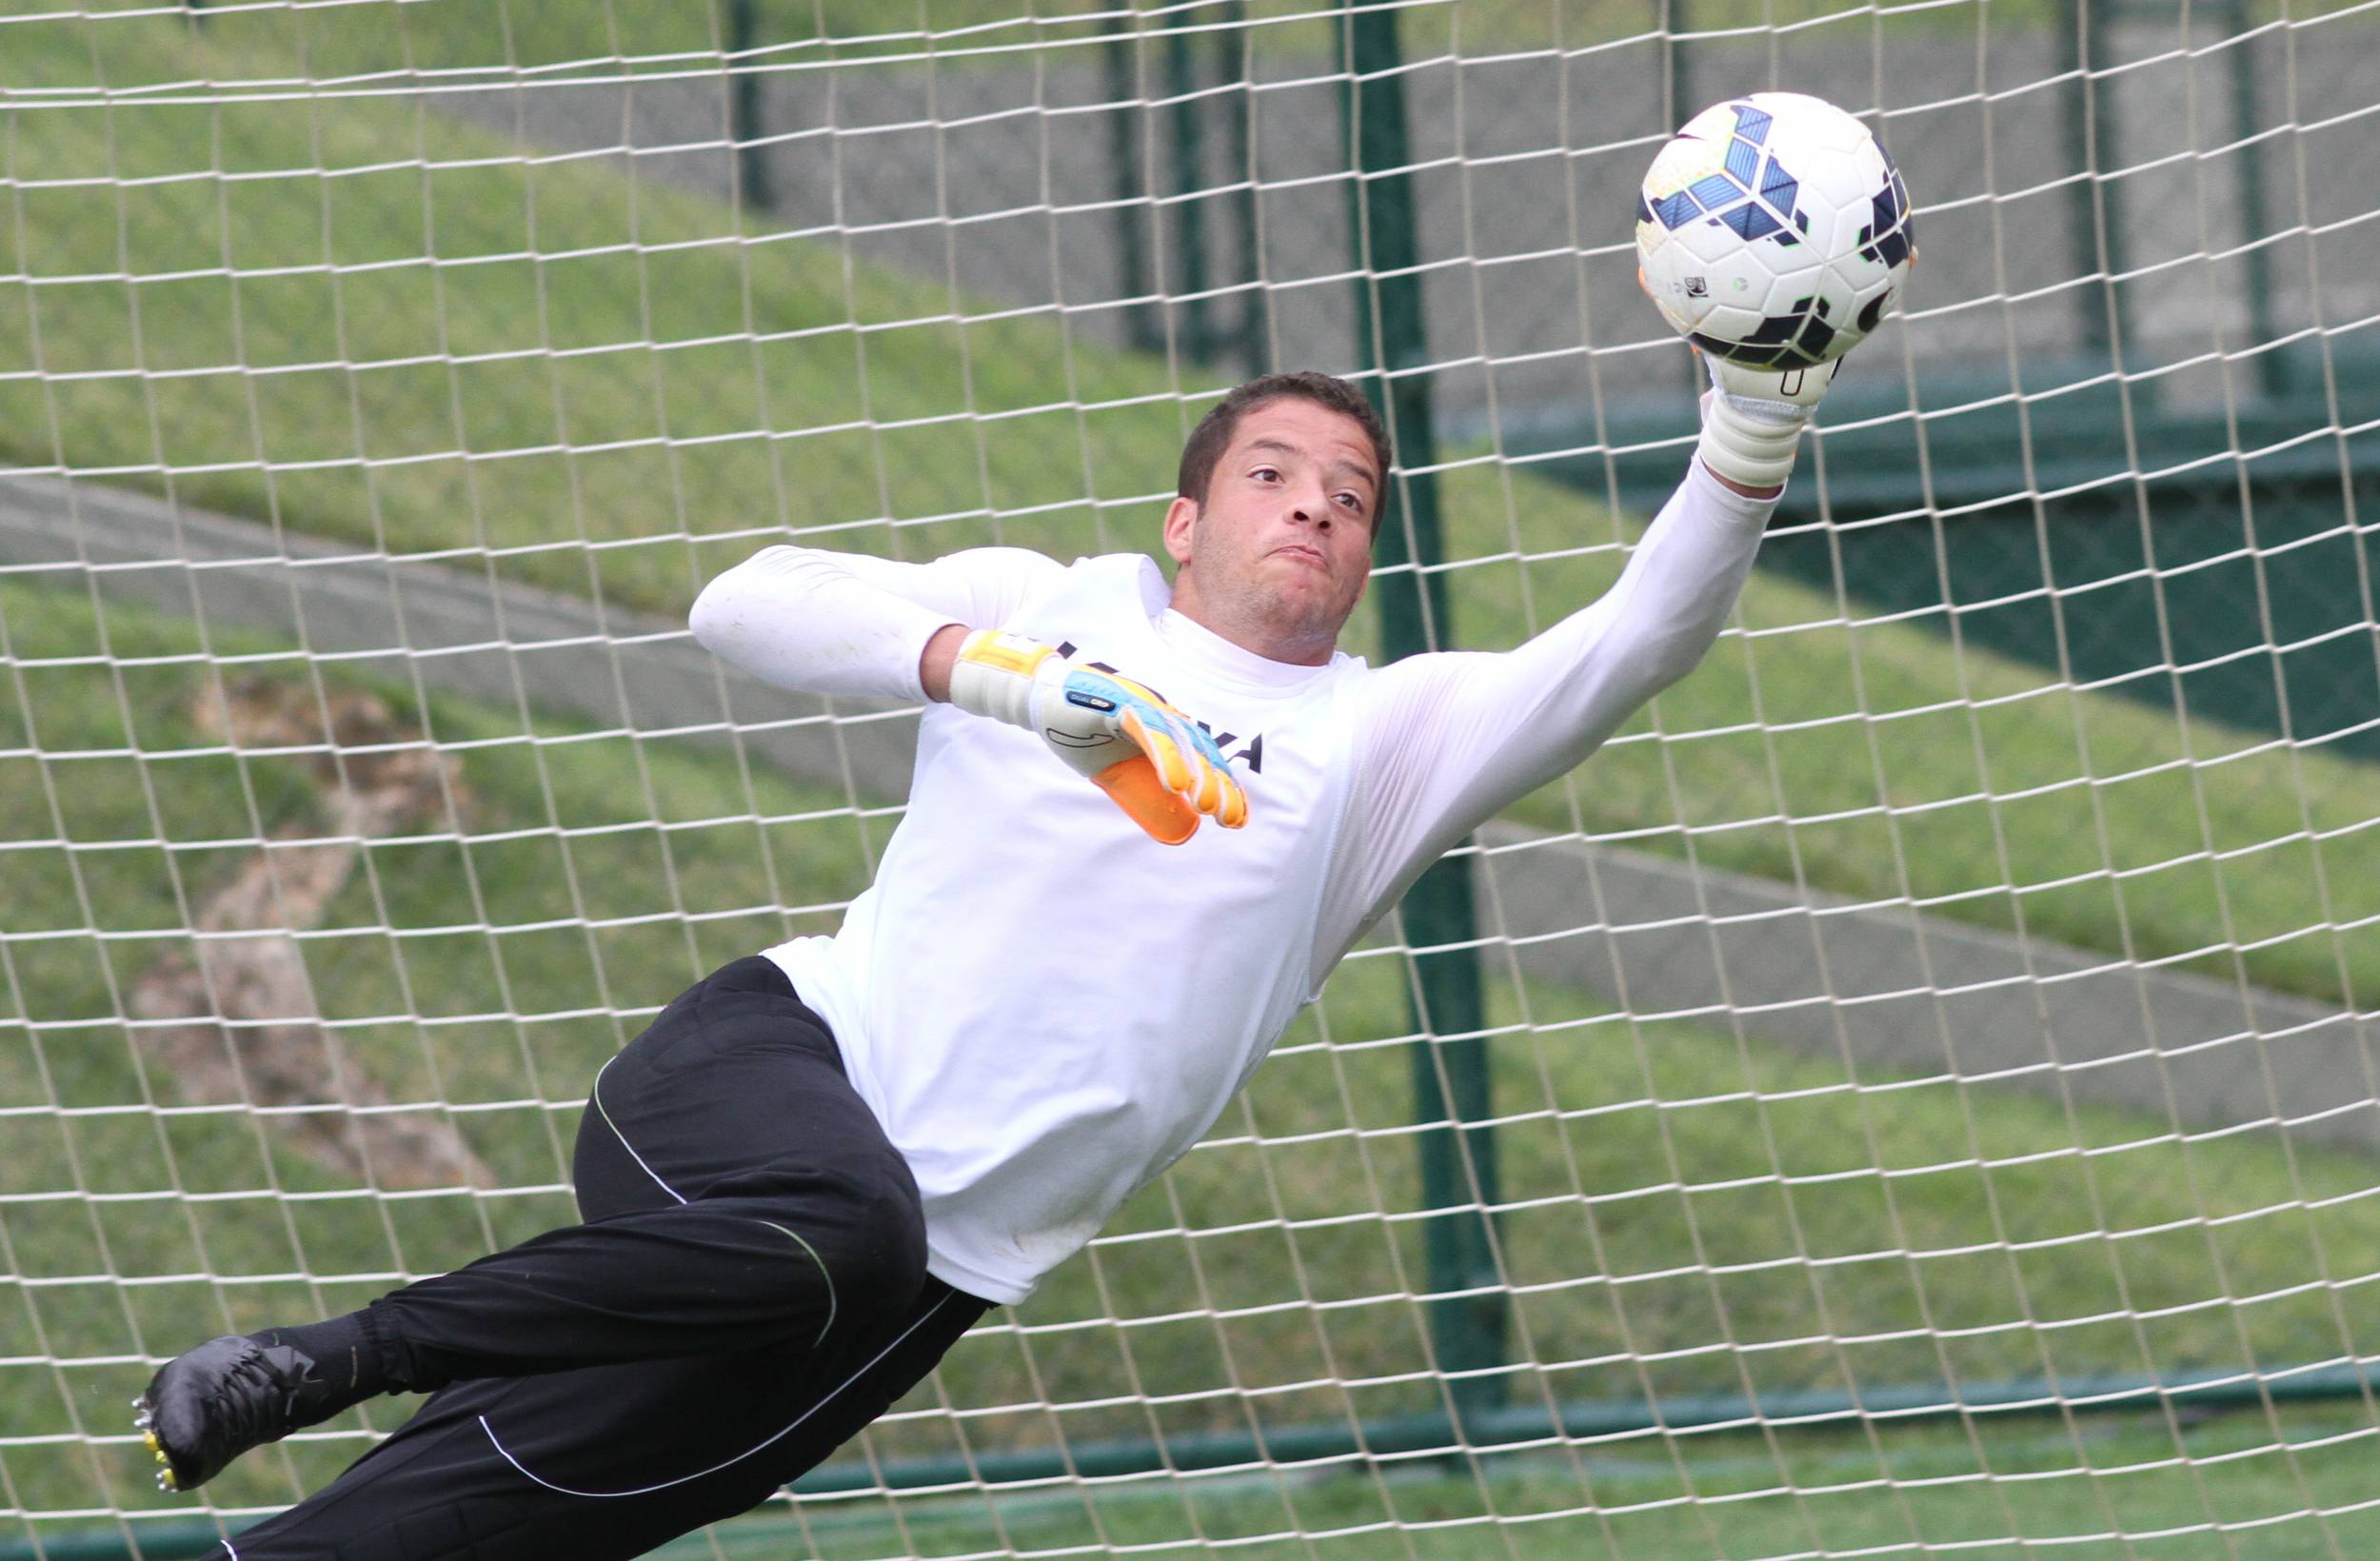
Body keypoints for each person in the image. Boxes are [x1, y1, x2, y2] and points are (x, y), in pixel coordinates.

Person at [135, 355, 1835, 1559]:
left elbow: (1640, 638)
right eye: (1272, 475)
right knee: (843, 1226)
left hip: (910, 1282)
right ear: (1184, 522)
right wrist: (1008, 678)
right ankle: (319, 1360)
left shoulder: (1387, 744)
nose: (1316, 507)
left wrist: (1751, 424)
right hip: (765, 1073)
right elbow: (742, 600)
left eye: (1351, 497)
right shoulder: (1055, 603)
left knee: (469, 1527)